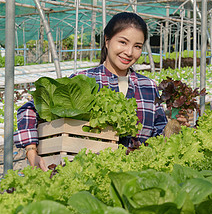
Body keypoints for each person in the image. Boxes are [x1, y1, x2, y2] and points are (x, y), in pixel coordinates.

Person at [14, 12, 168, 171]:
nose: (129, 52)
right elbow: (30, 109)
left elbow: (160, 132)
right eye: (123, 42)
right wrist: (31, 151)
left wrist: (178, 123)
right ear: (107, 41)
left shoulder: (148, 86)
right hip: (87, 176)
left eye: (137, 46)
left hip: (134, 180)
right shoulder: (83, 80)